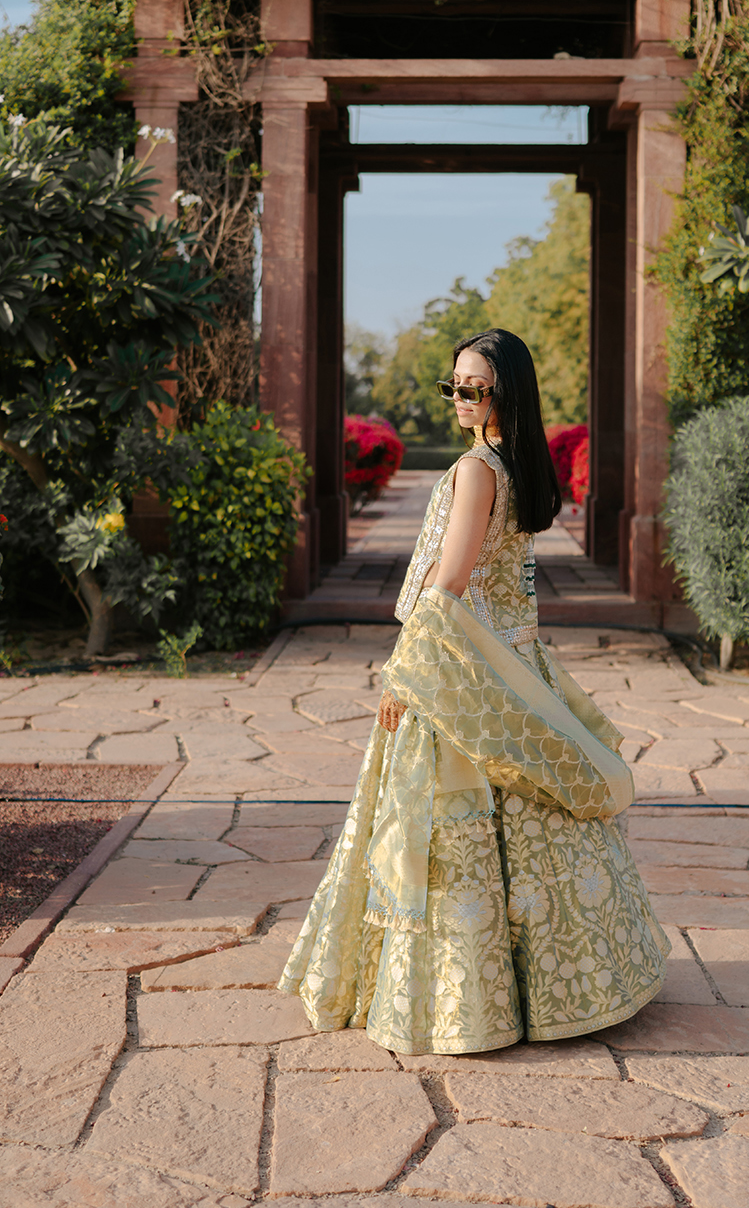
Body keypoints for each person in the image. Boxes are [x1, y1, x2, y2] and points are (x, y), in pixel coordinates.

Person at [279, 328, 669, 1054]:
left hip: (465, 671)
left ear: (505, 392)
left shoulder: (476, 469)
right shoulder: (518, 466)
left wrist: (405, 670)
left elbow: (451, 580)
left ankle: (469, 1004)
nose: (459, 399)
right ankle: (576, 982)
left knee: (446, 837)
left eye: (474, 388)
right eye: (453, 386)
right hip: (518, 664)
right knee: (538, 827)